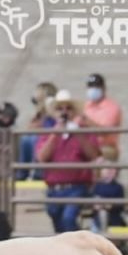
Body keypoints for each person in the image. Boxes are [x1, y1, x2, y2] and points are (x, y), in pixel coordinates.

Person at [37, 90, 102, 234]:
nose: (64, 112)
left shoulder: (85, 131)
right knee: (57, 220)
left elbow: (93, 155)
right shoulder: (49, 132)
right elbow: (42, 157)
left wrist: (78, 132)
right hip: (54, 188)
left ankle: (79, 248)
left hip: (76, 187)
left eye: (68, 108)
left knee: (68, 218)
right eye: (60, 108)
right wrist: (56, 133)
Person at [18, 81, 59, 180]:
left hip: (53, 141)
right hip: (43, 141)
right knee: (26, 139)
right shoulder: (38, 115)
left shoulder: (55, 111)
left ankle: (39, 173)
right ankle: (22, 174)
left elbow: (53, 127)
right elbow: (30, 128)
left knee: (33, 139)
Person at [90, 144, 128, 232]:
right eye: (105, 168)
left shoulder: (118, 187)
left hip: (113, 218)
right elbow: (93, 199)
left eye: (111, 168)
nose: (108, 171)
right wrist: (96, 205)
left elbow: (121, 205)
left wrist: (110, 205)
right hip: (98, 218)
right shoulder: (97, 186)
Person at [82, 73, 124, 149]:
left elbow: (104, 131)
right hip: (88, 149)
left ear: (103, 88)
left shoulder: (112, 108)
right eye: (90, 86)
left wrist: (85, 120)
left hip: (106, 148)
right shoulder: (86, 106)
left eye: (96, 86)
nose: (93, 89)